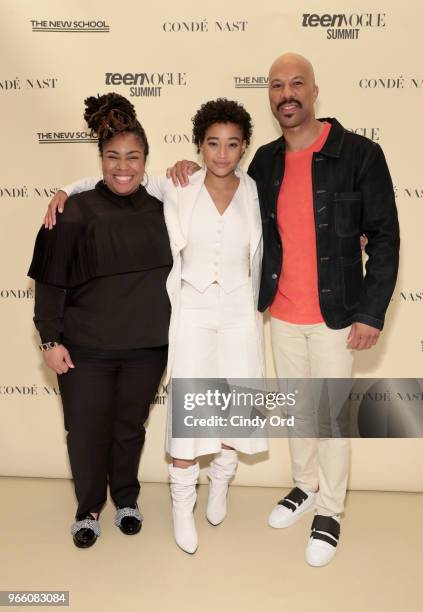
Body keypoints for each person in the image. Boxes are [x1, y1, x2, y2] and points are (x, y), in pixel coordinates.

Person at [166, 53, 400, 566]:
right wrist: (182, 167)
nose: (286, 92)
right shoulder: (265, 162)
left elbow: (384, 237)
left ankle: (331, 511)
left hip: (338, 313)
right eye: (277, 85)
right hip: (280, 313)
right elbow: (226, 202)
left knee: (331, 417)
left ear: (315, 90)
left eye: (297, 83)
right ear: (269, 96)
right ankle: (304, 487)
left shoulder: (359, 153)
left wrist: (372, 311)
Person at [43, 98, 267, 554]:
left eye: (231, 144)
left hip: (237, 311)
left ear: (244, 148)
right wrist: (67, 188)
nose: (221, 153)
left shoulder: (255, 189)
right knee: (185, 411)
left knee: (234, 400)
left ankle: (219, 481)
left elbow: (127, 174)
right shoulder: (179, 186)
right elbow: (119, 178)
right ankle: (178, 508)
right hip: (190, 315)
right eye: (212, 143)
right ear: (199, 146)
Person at [28, 93, 172, 548]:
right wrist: (49, 339)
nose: (122, 166)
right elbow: (50, 283)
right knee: (86, 431)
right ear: (101, 160)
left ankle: (126, 499)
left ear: (146, 159)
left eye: (132, 156)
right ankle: (88, 508)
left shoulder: (167, 209)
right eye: (113, 157)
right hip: (85, 347)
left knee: (129, 429)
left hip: (147, 348)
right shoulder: (75, 210)